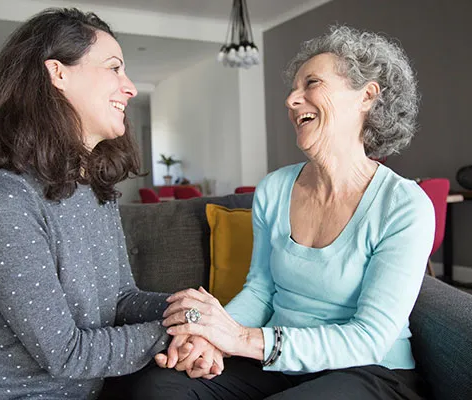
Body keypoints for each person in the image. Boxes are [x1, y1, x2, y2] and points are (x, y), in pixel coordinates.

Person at [125, 25, 435, 399]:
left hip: (368, 371)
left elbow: (368, 338)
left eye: (311, 84)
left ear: (366, 96)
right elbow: (260, 291)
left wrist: (241, 339)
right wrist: (211, 339)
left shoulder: (403, 205)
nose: (291, 99)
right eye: (293, 88)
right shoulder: (274, 188)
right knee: (160, 387)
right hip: (279, 362)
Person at [0, 8, 221, 399]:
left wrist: (192, 313)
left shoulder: (93, 188)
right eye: (114, 68)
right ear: (58, 73)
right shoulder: (2, 200)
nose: (130, 87)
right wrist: (179, 330)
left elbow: (122, 299)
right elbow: (66, 353)